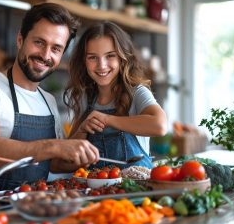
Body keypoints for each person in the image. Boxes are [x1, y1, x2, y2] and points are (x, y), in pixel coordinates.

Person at [0, 3, 99, 191]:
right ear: (20, 40)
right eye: (39, 42)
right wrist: (54, 146)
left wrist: (81, 156)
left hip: (35, 208)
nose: (45, 55)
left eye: (56, 49)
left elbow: (53, 164)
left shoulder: (48, 101)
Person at [63, 21, 167, 169]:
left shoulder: (136, 92)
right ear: (83, 61)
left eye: (110, 56)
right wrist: (82, 130)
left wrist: (108, 119)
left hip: (137, 190)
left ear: (122, 58)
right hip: (98, 191)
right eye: (92, 57)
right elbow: (66, 158)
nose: (102, 65)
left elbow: (160, 125)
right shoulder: (85, 97)